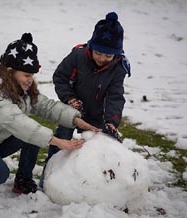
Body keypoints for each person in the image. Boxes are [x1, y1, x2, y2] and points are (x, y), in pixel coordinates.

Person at [0, 33, 100, 196]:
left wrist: (75, 119)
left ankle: (23, 180)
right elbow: (17, 123)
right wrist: (58, 141)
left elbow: (46, 106)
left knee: (34, 136)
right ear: (10, 72)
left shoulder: (21, 90)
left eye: (32, 75)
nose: (30, 80)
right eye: (27, 75)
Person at [40, 12, 131, 188]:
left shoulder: (118, 68)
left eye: (108, 56)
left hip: (98, 113)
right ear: (91, 46)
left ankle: (94, 185)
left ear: (116, 54)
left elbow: (115, 96)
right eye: (98, 53)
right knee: (61, 139)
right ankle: (48, 178)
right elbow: (60, 77)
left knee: (99, 148)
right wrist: (70, 99)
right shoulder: (78, 56)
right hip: (72, 110)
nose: (102, 59)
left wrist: (111, 121)